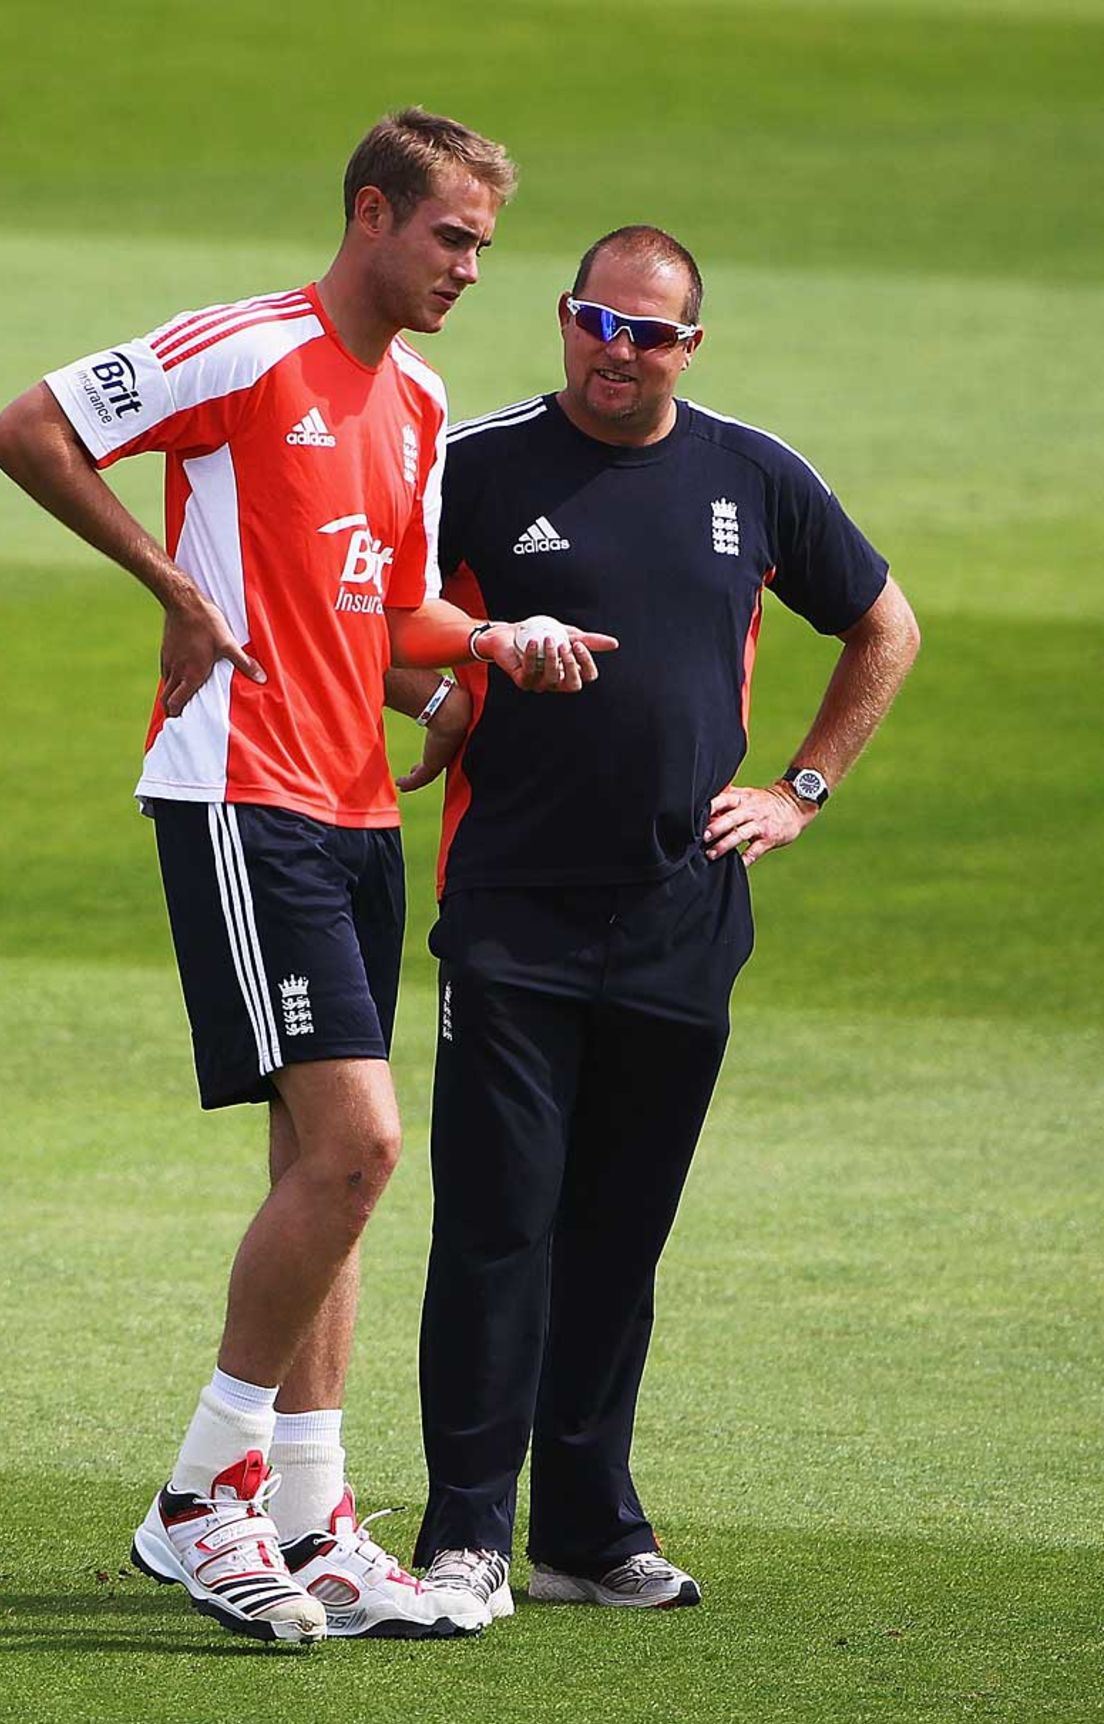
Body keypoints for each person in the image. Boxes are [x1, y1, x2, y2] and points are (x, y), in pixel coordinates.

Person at [0, 109, 614, 1647]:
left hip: (353, 811)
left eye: (484, 243)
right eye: (452, 236)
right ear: (371, 212)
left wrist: (483, 654)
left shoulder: (419, 397)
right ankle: (204, 1499)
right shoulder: (248, 347)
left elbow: (387, 616)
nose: (471, 268)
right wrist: (172, 588)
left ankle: (315, 1518)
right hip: (238, 793)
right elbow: (30, 428)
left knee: (318, 1178)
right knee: (360, 1153)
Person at [399, 225, 921, 1620]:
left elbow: (886, 626)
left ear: (693, 344)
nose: (616, 352)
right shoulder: (482, 465)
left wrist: (803, 789)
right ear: (564, 319)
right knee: (498, 1224)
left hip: (685, 914)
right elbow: (383, 626)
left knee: (620, 1235)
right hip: (510, 909)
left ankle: (585, 1529)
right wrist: (461, 680)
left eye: (649, 334)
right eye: (594, 322)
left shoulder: (752, 475)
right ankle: (464, 1535)